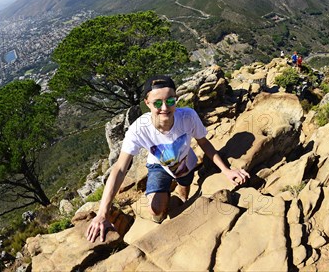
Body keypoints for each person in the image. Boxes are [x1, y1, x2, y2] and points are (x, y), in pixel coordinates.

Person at [86, 75, 250, 242]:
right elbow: (120, 168)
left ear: (176, 99)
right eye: (157, 103)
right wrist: (102, 214)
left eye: (170, 101)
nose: (165, 107)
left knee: (184, 189)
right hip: (158, 166)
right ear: (147, 102)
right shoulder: (139, 129)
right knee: (156, 210)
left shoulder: (188, 116)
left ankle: (182, 197)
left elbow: (203, 142)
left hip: (186, 161)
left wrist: (226, 170)